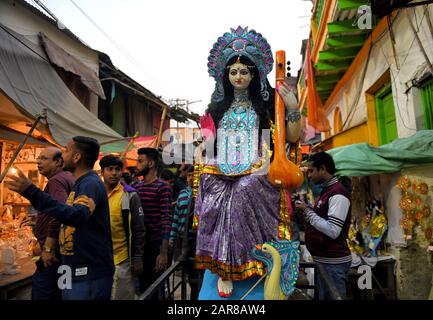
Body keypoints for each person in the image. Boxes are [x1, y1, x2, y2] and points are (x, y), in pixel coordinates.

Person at [194, 26, 302, 299]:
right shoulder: (218, 110)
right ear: (225, 76)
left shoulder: (264, 108)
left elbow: (291, 136)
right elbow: (209, 145)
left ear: (254, 75)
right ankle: (222, 268)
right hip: (222, 166)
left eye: (244, 71)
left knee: (243, 190)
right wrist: (202, 147)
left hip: (255, 166)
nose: (238, 76)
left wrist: (292, 108)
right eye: (233, 72)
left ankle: (252, 260)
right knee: (210, 186)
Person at [7, 136, 114, 300]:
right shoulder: (79, 184)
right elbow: (68, 214)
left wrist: (32, 192)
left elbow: (78, 216)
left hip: (89, 275)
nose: (62, 155)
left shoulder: (90, 184)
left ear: (76, 157)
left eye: (65, 150)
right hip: (76, 272)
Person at [295, 152, 352, 300]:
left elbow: (333, 230)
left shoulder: (338, 194)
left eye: (311, 171)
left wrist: (307, 211)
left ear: (322, 169)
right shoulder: (326, 191)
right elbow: (320, 219)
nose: (309, 175)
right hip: (325, 261)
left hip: (334, 263)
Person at [99, 155, 146, 300]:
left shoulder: (130, 195)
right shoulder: (95, 193)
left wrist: (137, 257)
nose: (114, 173)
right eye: (110, 169)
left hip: (122, 259)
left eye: (117, 170)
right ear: (102, 172)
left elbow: (139, 229)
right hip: (99, 259)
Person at [32, 146, 75, 300]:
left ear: (58, 162)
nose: (38, 161)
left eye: (44, 158)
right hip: (63, 250)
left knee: (44, 292)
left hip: (54, 252)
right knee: (61, 291)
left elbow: (60, 212)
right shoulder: (67, 177)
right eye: (39, 158)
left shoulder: (56, 180)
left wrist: (48, 247)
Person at [133, 147, 173, 298]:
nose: (137, 164)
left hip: (155, 247)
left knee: (156, 290)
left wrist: (163, 253)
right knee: (142, 289)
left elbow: (166, 220)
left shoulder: (163, 188)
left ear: (150, 164)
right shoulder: (136, 188)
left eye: (140, 161)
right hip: (140, 247)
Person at [169, 166, 203, 300]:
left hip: (198, 240)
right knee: (189, 274)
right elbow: (176, 218)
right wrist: (172, 238)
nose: (191, 178)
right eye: (189, 175)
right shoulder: (182, 194)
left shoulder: (203, 194)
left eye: (194, 175)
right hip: (183, 238)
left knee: (199, 273)